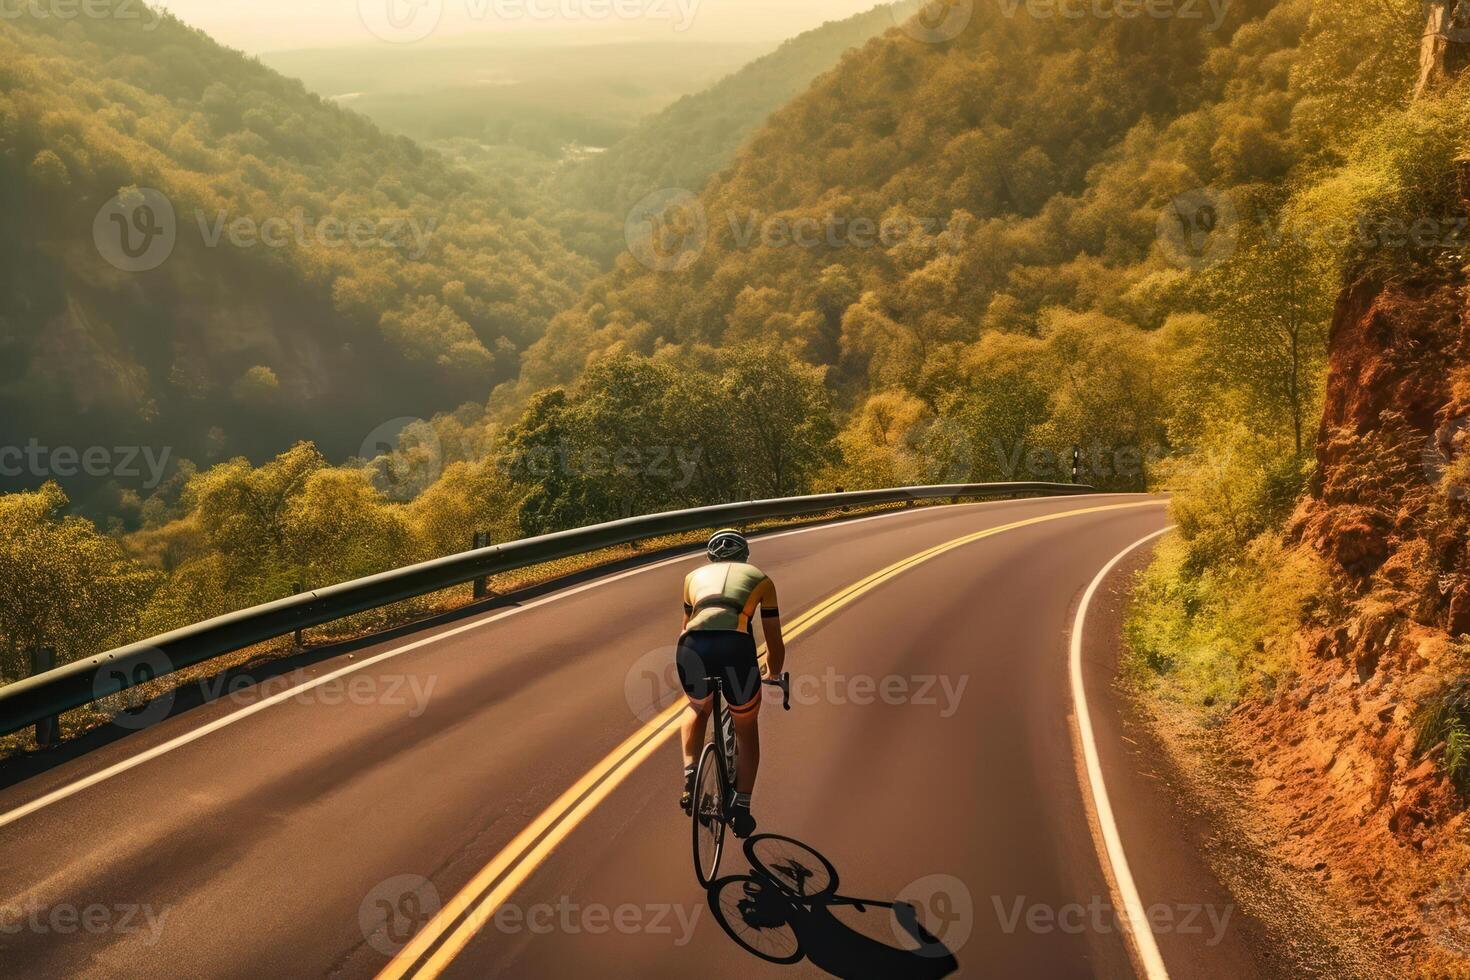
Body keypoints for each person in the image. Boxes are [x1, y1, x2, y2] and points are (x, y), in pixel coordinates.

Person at [676, 529, 786, 838]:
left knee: (697, 708)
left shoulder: (691, 576)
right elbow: (774, 641)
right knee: (746, 727)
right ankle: (742, 808)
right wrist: (774, 673)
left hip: (691, 647)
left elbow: (685, 626)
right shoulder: (762, 579)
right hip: (735, 648)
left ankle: (690, 774)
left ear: (710, 557)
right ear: (745, 556)